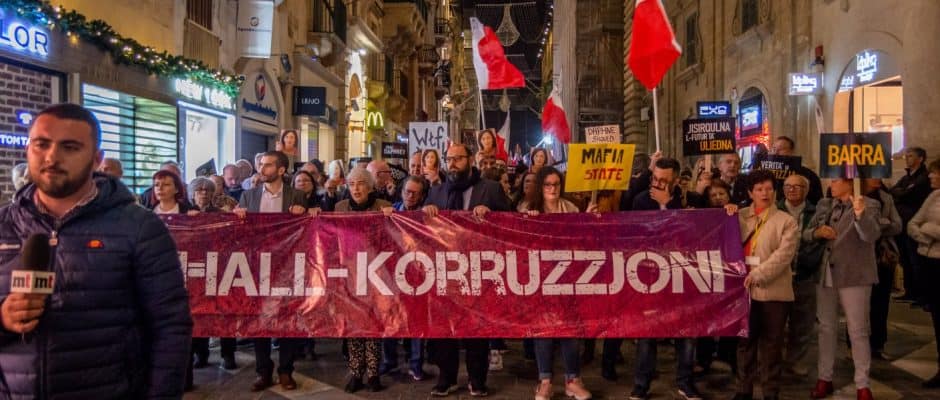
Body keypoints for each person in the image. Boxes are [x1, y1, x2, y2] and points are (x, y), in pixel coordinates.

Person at [0, 103, 192, 397]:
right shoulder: (4, 225)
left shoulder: (140, 228)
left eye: (70, 147)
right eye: (41, 144)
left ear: (96, 159)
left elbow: (171, 327)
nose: (51, 157)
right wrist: (3, 318)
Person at [423, 143, 510, 397]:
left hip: (479, 269)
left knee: (477, 328)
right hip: (446, 270)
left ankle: (477, 379)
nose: (452, 164)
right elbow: (420, 228)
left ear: (470, 160)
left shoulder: (490, 189)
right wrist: (425, 212)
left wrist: (492, 214)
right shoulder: (436, 192)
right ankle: (446, 378)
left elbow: (510, 220)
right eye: (449, 159)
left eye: (458, 158)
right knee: (444, 328)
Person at [233, 151, 307, 392]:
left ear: (281, 170)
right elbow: (239, 233)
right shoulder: (249, 195)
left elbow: (309, 229)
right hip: (257, 266)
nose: (262, 169)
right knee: (259, 319)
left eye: (267, 165)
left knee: (287, 318)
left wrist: (305, 213)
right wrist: (238, 217)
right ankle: (263, 371)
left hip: (287, 266)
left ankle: (286, 370)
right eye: (261, 165)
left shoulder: (296, 195)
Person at [629, 157, 702, 400]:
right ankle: (641, 384)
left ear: (676, 181)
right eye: (655, 178)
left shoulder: (690, 200)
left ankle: (685, 382)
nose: (658, 184)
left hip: (683, 275)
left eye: (664, 180)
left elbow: (691, 235)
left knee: (686, 333)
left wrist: (668, 205)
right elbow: (638, 235)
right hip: (650, 275)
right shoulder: (641, 201)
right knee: (647, 333)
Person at [518, 167, 592, 400]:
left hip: (567, 276)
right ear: (541, 187)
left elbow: (581, 239)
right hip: (539, 278)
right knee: (544, 330)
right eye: (548, 184)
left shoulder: (571, 208)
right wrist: (528, 222)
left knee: (570, 329)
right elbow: (518, 240)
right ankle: (545, 381)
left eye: (556, 184)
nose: (552, 188)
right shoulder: (527, 208)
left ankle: (573, 380)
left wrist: (588, 219)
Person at [726, 170, 799, 400]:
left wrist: (758, 274)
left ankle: (770, 392)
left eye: (768, 188)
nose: (764, 193)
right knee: (744, 344)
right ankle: (743, 390)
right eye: (759, 189)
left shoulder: (786, 221)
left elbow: (783, 256)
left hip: (774, 293)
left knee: (771, 346)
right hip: (743, 292)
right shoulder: (739, 216)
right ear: (750, 193)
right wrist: (727, 213)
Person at [807, 178, 880, 400]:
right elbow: (807, 233)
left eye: (836, 180)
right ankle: (824, 377)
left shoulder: (869, 204)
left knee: (858, 330)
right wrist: (818, 232)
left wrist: (860, 215)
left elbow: (871, 235)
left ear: (850, 182)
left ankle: (862, 383)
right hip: (826, 272)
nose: (831, 184)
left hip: (854, 274)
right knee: (826, 328)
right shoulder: (825, 204)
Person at [334, 167, 393, 393]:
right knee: (354, 324)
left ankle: (373, 373)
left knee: (373, 325)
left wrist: (391, 217)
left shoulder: (382, 206)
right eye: (352, 184)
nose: (356, 188)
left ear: (369, 187)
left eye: (360, 183)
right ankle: (356, 372)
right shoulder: (340, 208)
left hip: (377, 273)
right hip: (349, 272)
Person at [381, 175, 431, 381]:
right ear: (401, 192)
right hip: (391, 272)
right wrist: (383, 216)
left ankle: (416, 364)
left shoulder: (426, 214)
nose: (410, 196)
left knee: (417, 319)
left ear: (422, 196)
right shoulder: (390, 211)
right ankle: (389, 361)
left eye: (415, 193)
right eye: (407, 192)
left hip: (418, 274)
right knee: (390, 318)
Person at [779, 174, 825, 377]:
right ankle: (774, 360)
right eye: (788, 186)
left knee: (803, 322)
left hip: (805, 273)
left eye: (797, 186)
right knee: (776, 323)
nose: (792, 189)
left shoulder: (816, 212)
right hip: (779, 275)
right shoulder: (775, 210)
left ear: (806, 190)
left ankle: (795, 360)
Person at [907, 158, 940, 387]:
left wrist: (928, 229)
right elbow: (912, 224)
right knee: (936, 316)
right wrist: (926, 236)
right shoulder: (934, 196)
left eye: (935, 173)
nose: (930, 176)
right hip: (929, 260)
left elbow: (925, 226)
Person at [862, 179, 902, 361]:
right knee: (860, 304)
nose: (878, 178)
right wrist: (880, 224)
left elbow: (897, 225)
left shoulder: (886, 198)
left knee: (881, 302)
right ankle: (856, 345)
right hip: (861, 255)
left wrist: (877, 226)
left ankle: (878, 344)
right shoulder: (856, 196)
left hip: (882, 255)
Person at [890, 147, 931, 303]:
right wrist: (901, 192)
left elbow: (909, 194)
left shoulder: (924, 177)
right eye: (906, 156)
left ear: (920, 159)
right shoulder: (906, 177)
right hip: (903, 223)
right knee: (905, 259)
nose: (907, 158)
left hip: (914, 223)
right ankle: (909, 291)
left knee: (916, 260)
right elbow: (893, 190)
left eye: (911, 156)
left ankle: (921, 295)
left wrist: (901, 193)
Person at [770, 136, 823, 204]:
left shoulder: (808, 174)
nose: (775, 153)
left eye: (780, 149)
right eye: (773, 149)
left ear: (791, 152)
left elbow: (817, 201)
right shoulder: (767, 174)